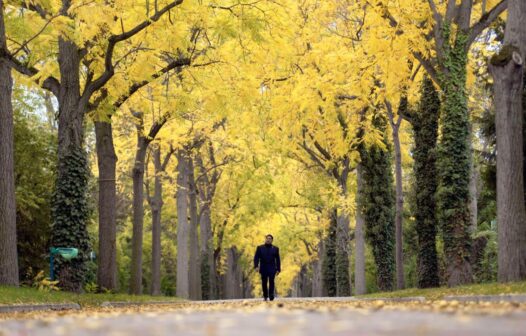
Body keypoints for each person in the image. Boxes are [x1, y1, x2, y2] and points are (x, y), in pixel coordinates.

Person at [253, 234, 281, 301]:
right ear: (265, 239)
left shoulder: (275, 249)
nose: (268, 239)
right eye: (267, 238)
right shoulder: (260, 248)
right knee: (264, 282)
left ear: (272, 240)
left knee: (271, 281)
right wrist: (256, 266)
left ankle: (271, 295)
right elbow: (256, 257)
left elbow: (278, 259)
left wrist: (278, 269)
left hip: (272, 268)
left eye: (270, 239)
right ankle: (265, 295)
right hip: (263, 267)